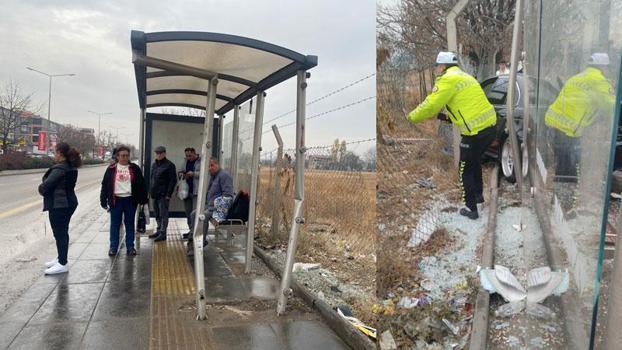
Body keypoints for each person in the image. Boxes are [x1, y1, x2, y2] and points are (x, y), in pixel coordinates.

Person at [406, 51, 497, 220]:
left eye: (437, 66)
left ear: (443, 66)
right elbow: (466, 105)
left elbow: (430, 105)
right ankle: (478, 197)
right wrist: (446, 117)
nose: (436, 69)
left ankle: (471, 209)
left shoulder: (447, 79)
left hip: (474, 132)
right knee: (474, 161)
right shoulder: (465, 77)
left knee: (464, 169)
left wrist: (411, 117)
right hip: (490, 126)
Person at [545, 53, 615, 211]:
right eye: (608, 67)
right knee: (570, 172)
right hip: (567, 132)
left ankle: (557, 203)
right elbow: (612, 106)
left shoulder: (577, 77)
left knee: (561, 168)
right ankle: (563, 207)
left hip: (553, 125)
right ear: (603, 67)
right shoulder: (600, 81)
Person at [38, 142, 82, 275]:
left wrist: (40, 188)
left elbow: (45, 187)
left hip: (60, 205)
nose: (54, 155)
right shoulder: (70, 167)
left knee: (60, 233)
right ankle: (60, 257)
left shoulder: (59, 169)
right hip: (68, 203)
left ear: (60, 153)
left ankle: (63, 263)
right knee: (63, 232)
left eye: (55, 152)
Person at [100, 145, 148, 256]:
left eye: (126, 155)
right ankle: (113, 247)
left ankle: (130, 247)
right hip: (116, 201)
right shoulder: (111, 169)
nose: (124, 158)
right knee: (115, 225)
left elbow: (141, 185)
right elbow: (105, 185)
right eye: (122, 155)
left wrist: (143, 200)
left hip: (130, 201)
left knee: (129, 224)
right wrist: (103, 200)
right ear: (117, 156)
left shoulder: (134, 168)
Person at [187, 157, 234, 256]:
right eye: (208, 166)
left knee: (202, 217)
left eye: (212, 165)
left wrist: (214, 206)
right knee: (193, 214)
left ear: (217, 165)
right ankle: (192, 239)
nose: (209, 168)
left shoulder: (224, 176)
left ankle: (200, 243)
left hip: (219, 209)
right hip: (210, 206)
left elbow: (228, 196)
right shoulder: (213, 176)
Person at [148, 146, 177, 241]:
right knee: (156, 213)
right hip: (155, 193)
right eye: (157, 153)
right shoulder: (154, 165)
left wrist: (168, 194)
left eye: (160, 153)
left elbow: (173, 181)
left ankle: (163, 233)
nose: (158, 155)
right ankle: (159, 229)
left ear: (164, 153)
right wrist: (150, 191)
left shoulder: (170, 165)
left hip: (164, 194)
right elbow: (151, 179)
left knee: (163, 214)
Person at [179, 147, 201, 240]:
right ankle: (190, 230)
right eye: (187, 156)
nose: (188, 157)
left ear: (194, 153)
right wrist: (182, 175)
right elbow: (180, 171)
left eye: (190, 155)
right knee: (188, 213)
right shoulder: (185, 162)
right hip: (186, 191)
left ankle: (194, 232)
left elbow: (204, 173)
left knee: (194, 213)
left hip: (196, 192)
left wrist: (194, 174)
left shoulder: (201, 161)